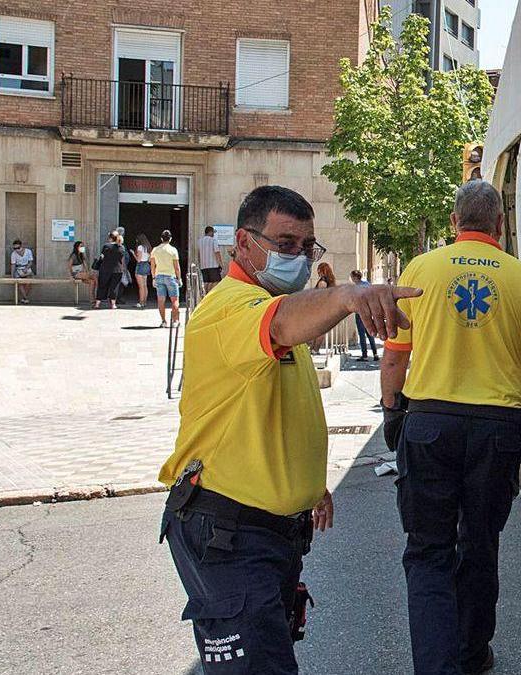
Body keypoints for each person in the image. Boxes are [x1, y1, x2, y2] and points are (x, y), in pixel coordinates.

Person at [158, 185, 421, 675]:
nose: (298, 257)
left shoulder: (271, 301)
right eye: (284, 244)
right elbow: (276, 326)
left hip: (265, 530)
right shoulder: (231, 307)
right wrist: (347, 294)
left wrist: (308, 487)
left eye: (307, 246)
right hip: (229, 531)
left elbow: (272, 411)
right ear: (243, 242)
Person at [379, 180, 521, 675]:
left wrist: (390, 412)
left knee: (428, 550)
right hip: (496, 430)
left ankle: (435, 666)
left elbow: (394, 357)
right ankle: (471, 654)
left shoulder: (422, 269)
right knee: (481, 543)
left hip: (429, 424)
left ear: (453, 223)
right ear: (501, 225)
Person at [150, 230, 183, 328]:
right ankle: (175, 321)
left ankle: (163, 321)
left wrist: (153, 277)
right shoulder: (173, 250)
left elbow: (152, 265)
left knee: (161, 300)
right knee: (175, 300)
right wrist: (179, 278)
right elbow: (177, 267)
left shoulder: (155, 250)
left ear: (161, 238)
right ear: (170, 239)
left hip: (159, 276)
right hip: (171, 276)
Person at [349, 270, 378, 361]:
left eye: (352, 277)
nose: (351, 279)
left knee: (361, 334)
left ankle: (364, 355)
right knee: (370, 333)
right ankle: (375, 354)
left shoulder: (355, 288)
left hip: (359, 312)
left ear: (355, 277)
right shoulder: (367, 284)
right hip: (368, 311)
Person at [96, 232, 126, 310]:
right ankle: (113, 305)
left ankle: (97, 304)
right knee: (114, 287)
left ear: (110, 238)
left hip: (105, 269)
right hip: (118, 270)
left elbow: (102, 257)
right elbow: (122, 260)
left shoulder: (106, 246)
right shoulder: (122, 247)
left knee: (102, 286)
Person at [198, 225, 224, 293]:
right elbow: (217, 253)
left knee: (206, 282)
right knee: (216, 281)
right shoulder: (213, 240)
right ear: (210, 232)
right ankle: (208, 294)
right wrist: (221, 264)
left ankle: (205, 294)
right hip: (213, 265)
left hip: (203, 266)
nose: (213, 234)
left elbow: (198, 253)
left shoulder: (200, 241)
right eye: (213, 232)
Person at [10, 239, 34, 304]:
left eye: (18, 248)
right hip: (18, 269)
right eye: (15, 248)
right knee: (19, 282)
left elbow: (31, 262)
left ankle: (24, 298)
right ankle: (25, 298)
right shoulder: (13, 254)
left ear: (21, 246)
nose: (17, 250)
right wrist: (12, 276)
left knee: (29, 281)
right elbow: (13, 265)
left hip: (26, 268)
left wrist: (26, 268)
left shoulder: (28, 251)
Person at [134, 233, 152, 309]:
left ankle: (141, 302)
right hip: (147, 265)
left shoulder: (140, 247)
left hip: (140, 265)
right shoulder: (148, 247)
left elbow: (138, 260)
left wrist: (133, 254)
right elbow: (150, 259)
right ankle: (144, 302)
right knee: (145, 285)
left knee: (141, 286)